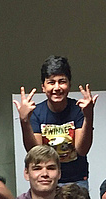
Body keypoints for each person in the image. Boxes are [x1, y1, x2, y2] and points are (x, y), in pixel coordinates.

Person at [15, 55, 96, 185]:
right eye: (51, 82)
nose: (57, 88)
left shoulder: (78, 109)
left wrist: (89, 116)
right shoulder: (36, 112)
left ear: (69, 85)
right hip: (47, 180)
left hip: (76, 179)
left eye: (62, 81)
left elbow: (82, 150)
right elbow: (35, 153)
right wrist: (24, 121)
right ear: (43, 87)